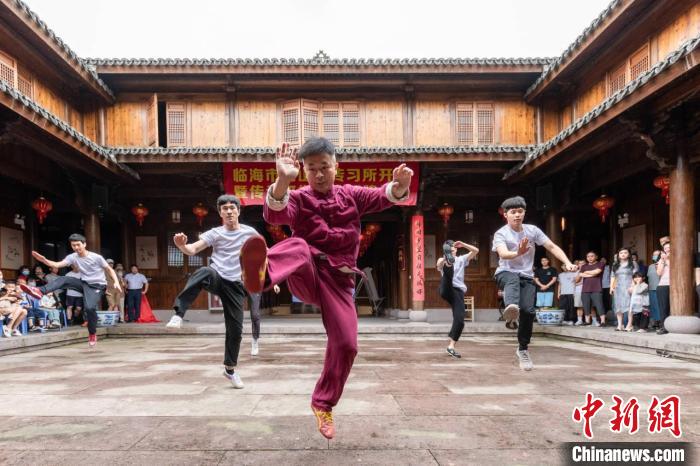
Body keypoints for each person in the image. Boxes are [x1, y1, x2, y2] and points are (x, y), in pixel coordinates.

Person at [238, 138, 413, 439]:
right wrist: (283, 180)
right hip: (308, 272)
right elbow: (274, 213)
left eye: (324, 167)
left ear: (336, 166)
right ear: (304, 170)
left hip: (340, 282)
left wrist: (399, 187)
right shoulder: (299, 198)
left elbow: (383, 196)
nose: (318, 174)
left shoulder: (351, 195)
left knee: (347, 345)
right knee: (297, 245)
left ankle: (323, 404)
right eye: (311, 169)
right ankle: (262, 277)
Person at [165, 194, 260, 390]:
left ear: (238, 211)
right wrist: (181, 245)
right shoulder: (215, 233)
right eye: (225, 209)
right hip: (218, 277)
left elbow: (263, 255)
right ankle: (178, 314)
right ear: (220, 213)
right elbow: (193, 249)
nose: (229, 211)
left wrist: (268, 279)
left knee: (235, 331)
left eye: (232, 208)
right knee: (204, 271)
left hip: (236, 285)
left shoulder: (250, 233)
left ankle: (230, 370)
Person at [491, 196, 576, 371]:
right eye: (513, 212)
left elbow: (551, 246)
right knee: (512, 279)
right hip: (505, 272)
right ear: (505, 215)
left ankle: (522, 349)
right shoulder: (501, 233)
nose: (517, 215)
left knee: (529, 311)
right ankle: (511, 309)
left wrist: (567, 262)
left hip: (527, 276)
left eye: (520, 211)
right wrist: (518, 252)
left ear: (524, 213)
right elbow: (503, 254)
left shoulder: (532, 231)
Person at [20, 233, 121, 347]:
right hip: (84, 283)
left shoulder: (96, 257)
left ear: (84, 244)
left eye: (78, 245)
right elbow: (57, 264)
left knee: (89, 308)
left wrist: (116, 282)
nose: (76, 247)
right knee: (64, 279)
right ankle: (40, 291)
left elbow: (109, 269)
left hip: (97, 286)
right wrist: (44, 260)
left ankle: (92, 333)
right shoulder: (72, 257)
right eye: (73, 245)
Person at [437, 239, 479, 358]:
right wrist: (446, 259)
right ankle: (449, 263)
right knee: (447, 273)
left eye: (453, 247)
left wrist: (463, 244)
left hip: (458, 292)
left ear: (456, 249)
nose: (452, 249)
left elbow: (476, 250)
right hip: (446, 288)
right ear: (446, 250)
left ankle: (451, 346)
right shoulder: (441, 259)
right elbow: (438, 265)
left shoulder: (462, 259)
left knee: (460, 320)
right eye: (449, 248)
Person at [248, 284, 280, 356]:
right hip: (240, 281)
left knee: (255, 315)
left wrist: (274, 284)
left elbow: (268, 276)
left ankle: (255, 339)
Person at [610, 247, 637, 332]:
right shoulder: (615, 264)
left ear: (629, 254)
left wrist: (633, 286)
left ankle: (629, 325)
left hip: (628, 287)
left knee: (629, 306)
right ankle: (620, 325)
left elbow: (636, 276)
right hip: (618, 287)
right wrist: (611, 287)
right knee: (618, 306)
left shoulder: (633, 263)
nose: (623, 254)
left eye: (625, 253)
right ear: (618, 255)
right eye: (621, 253)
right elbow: (613, 276)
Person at [578, 251, 606, 327]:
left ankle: (603, 321)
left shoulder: (600, 264)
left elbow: (597, 272)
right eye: (588, 256)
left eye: (592, 256)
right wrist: (592, 274)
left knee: (599, 305)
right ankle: (587, 321)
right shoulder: (584, 266)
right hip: (585, 289)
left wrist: (586, 272)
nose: (590, 258)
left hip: (597, 288)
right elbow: (580, 274)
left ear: (596, 257)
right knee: (586, 305)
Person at [656, 241, 671, 334]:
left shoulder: (678, 257)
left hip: (674, 285)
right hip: (663, 285)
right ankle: (664, 327)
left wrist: (667, 260)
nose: (667, 249)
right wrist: (662, 261)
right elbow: (659, 273)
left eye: (669, 247)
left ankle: (673, 326)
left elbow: (674, 269)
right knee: (663, 308)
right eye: (665, 248)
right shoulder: (661, 260)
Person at [647, 250, 662, 329]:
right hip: (651, 288)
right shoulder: (650, 266)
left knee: (659, 306)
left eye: (657, 254)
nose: (655, 256)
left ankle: (660, 322)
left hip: (660, 288)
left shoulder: (663, 264)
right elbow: (648, 278)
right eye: (654, 255)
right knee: (653, 306)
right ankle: (655, 322)